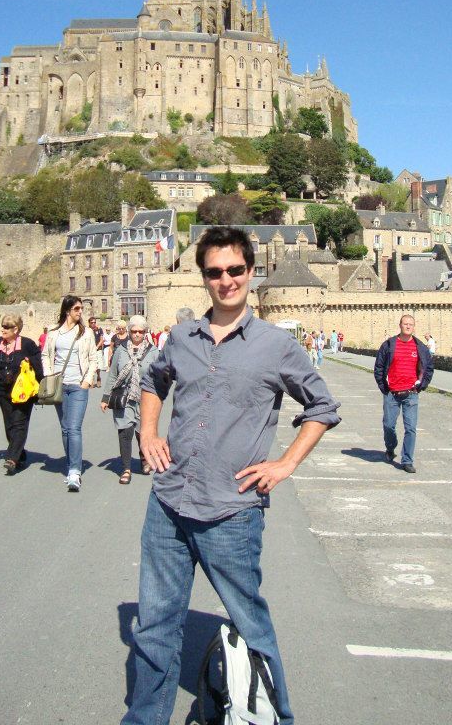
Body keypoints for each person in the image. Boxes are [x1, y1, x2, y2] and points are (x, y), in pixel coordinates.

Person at [121, 226, 340, 725]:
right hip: (169, 503)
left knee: (251, 626)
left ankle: (275, 717)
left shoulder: (276, 345)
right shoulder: (181, 338)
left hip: (232, 510)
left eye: (235, 270)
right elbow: (153, 381)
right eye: (215, 272)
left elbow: (322, 407)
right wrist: (148, 433)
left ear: (252, 272)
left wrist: (285, 464)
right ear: (203, 277)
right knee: (154, 626)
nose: (226, 280)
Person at [42, 296, 98, 492]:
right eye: (76, 309)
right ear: (67, 311)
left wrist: (87, 380)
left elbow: (93, 358)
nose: (80, 312)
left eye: (81, 308)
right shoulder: (53, 332)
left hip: (78, 386)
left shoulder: (86, 333)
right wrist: (49, 375)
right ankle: (70, 462)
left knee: (74, 428)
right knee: (65, 428)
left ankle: (74, 471)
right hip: (58, 385)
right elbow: (46, 355)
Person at [101, 315, 159, 485]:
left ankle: (144, 458)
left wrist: (159, 396)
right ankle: (126, 468)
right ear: (129, 331)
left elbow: (160, 375)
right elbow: (113, 375)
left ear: (145, 332)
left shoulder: (154, 352)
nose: (137, 334)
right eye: (133, 331)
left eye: (140, 331)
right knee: (125, 431)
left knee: (142, 431)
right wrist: (105, 397)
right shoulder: (121, 350)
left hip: (146, 396)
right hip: (124, 395)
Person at [374, 314, 434, 474]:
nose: (408, 326)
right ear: (400, 325)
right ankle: (390, 447)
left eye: (410, 324)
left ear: (414, 327)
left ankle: (407, 460)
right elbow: (379, 367)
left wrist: (422, 385)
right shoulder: (388, 345)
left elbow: (429, 367)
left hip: (411, 393)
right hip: (391, 393)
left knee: (411, 428)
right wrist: (384, 387)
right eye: (405, 324)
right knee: (388, 425)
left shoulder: (420, 347)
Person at [0, 314, 43, 474]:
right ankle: (20, 454)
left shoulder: (27, 344)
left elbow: (39, 364)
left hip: (23, 391)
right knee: (9, 424)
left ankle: (12, 458)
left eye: (6, 327)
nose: (2, 329)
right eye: (2, 326)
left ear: (15, 329)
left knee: (19, 423)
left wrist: (40, 387)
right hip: (3, 390)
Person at [89, 316, 104, 386]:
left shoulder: (99, 329)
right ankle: (91, 379)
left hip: (98, 349)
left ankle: (98, 377)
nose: (93, 324)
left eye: (94, 322)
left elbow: (101, 340)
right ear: (89, 323)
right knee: (90, 365)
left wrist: (96, 347)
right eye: (92, 322)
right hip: (90, 350)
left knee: (98, 366)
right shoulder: (87, 330)